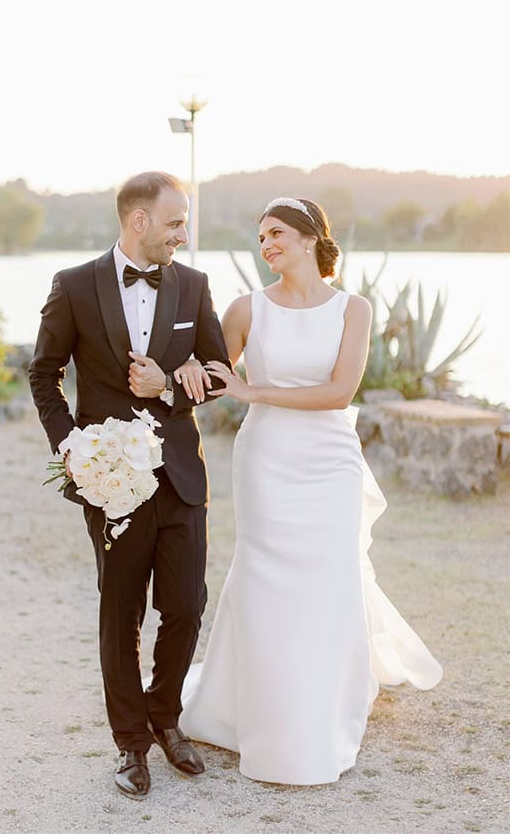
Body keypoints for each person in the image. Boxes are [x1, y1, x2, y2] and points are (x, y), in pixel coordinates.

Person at [175, 196, 443, 786]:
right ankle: (255, 708)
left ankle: (321, 708)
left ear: (307, 239)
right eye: (261, 236)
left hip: (330, 460)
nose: (266, 244)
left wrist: (254, 393)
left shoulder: (354, 309)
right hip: (267, 460)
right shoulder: (247, 308)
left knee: (329, 576)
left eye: (276, 233)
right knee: (265, 576)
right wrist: (174, 375)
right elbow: (208, 372)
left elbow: (340, 392)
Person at [28, 171, 230, 800]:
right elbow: (43, 373)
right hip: (111, 484)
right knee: (121, 615)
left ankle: (166, 717)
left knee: (187, 606)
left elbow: (221, 372)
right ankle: (131, 744)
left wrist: (169, 385)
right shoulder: (75, 286)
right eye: (175, 223)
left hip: (180, 477)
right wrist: (73, 449)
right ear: (138, 221)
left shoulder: (193, 285)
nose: (183, 234)